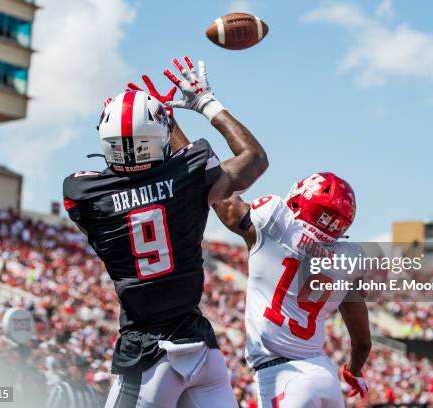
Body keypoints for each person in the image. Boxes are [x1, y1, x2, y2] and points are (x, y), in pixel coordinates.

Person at [62, 55, 268, 407]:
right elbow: (254, 158)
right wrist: (200, 104)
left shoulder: (83, 194)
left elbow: (128, 195)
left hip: (146, 354)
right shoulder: (191, 170)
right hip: (202, 350)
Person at [213, 173, 371, 407]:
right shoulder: (349, 259)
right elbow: (363, 343)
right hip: (324, 374)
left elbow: (219, 194)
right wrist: (353, 370)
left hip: (282, 375)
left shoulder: (275, 223)